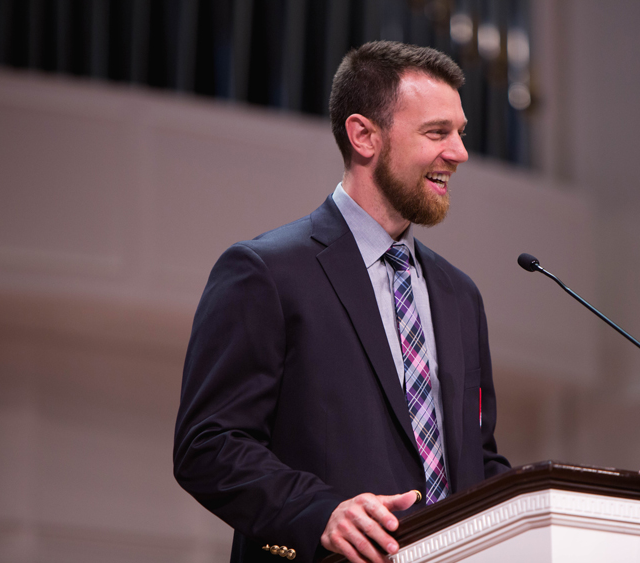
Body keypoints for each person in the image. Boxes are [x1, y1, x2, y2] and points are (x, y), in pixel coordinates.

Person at [173, 41, 510, 563]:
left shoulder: (459, 294)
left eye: (460, 133)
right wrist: (320, 512)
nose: (459, 153)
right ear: (364, 136)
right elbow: (209, 445)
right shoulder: (266, 271)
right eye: (437, 132)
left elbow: (476, 459)